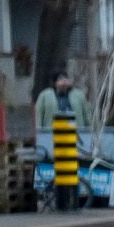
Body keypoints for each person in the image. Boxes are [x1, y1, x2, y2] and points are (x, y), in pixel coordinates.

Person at [32, 67, 83, 209]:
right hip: (53, 139)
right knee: (59, 170)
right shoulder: (45, 95)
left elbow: (86, 115)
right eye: (60, 79)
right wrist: (38, 134)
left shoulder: (77, 95)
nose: (63, 82)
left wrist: (87, 134)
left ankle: (74, 201)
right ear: (54, 82)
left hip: (73, 140)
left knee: (72, 171)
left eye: (65, 79)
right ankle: (60, 201)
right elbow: (38, 114)